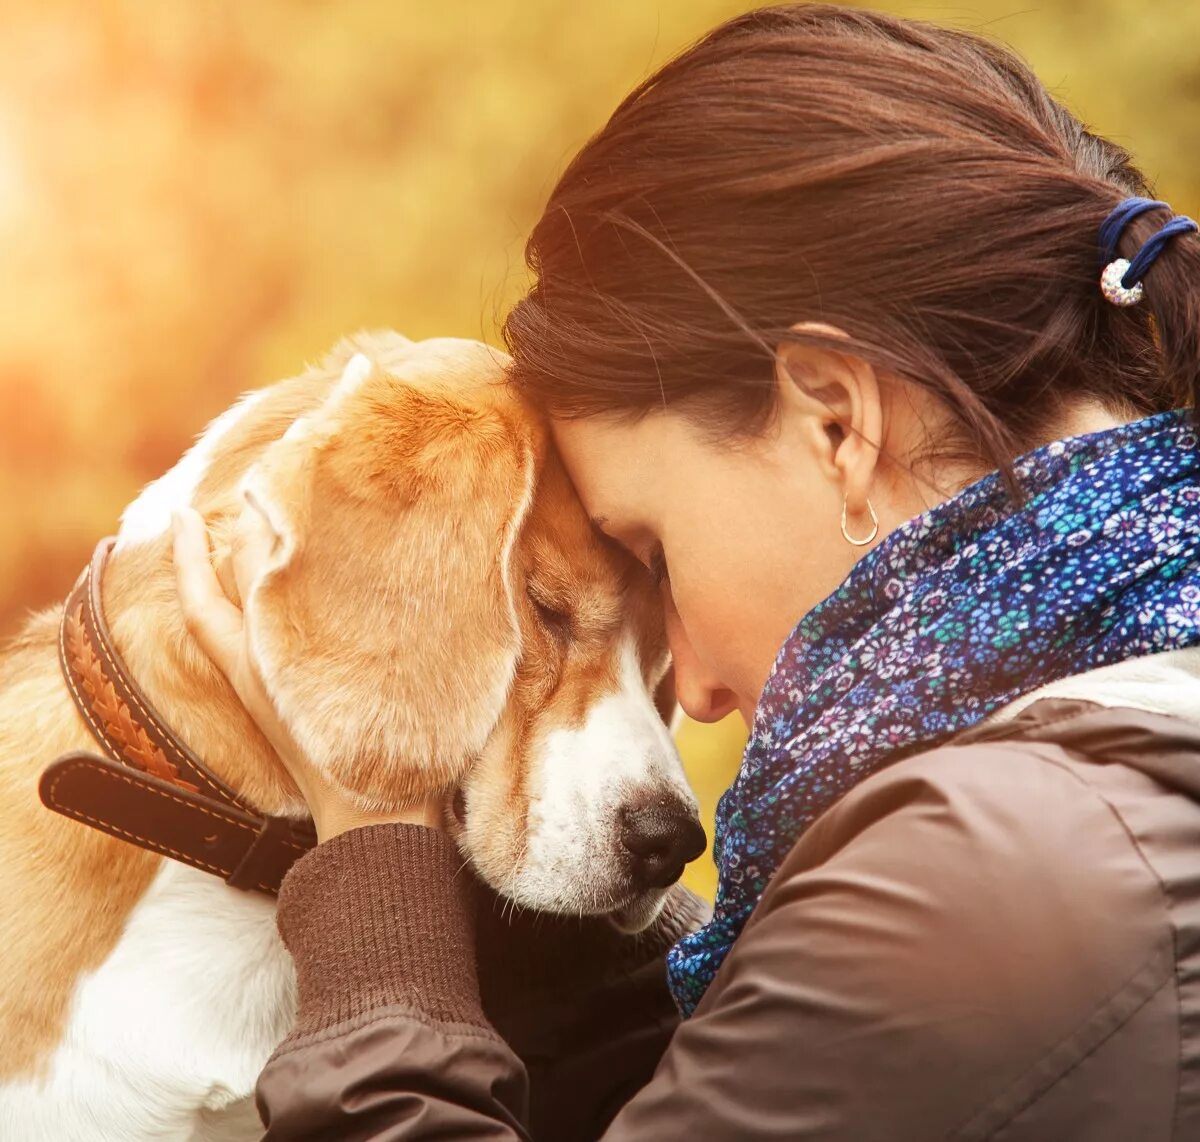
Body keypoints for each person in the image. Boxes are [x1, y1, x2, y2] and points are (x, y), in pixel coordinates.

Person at [172, 5, 1200, 1138]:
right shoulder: (1125, 760)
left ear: (836, 421)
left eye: (655, 554)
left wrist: (376, 867)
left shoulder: (987, 879)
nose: (698, 692)